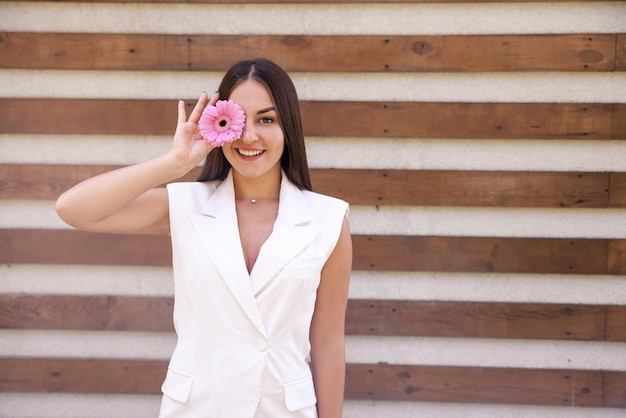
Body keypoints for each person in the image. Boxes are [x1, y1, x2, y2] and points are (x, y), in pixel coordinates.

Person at [55, 58, 352, 417]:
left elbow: (327, 343)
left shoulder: (328, 218)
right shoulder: (186, 204)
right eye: (238, 119)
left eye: (266, 119)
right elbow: (72, 208)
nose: (249, 135)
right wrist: (176, 162)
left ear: (288, 126)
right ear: (219, 124)